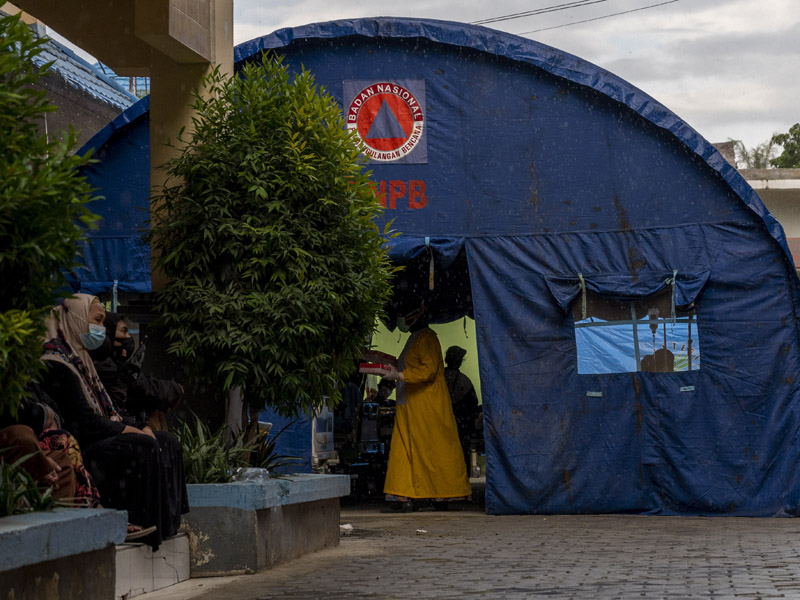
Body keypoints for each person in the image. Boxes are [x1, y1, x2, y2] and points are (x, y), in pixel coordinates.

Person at [39, 294, 186, 549]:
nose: (100, 329)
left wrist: (141, 426)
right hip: (85, 448)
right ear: (75, 320)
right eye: (96, 320)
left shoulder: (82, 361)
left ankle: (165, 524)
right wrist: (130, 430)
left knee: (167, 441)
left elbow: (109, 412)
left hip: (102, 438)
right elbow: (85, 422)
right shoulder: (56, 364)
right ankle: (135, 520)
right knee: (143, 445)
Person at [381, 302, 470, 511]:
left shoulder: (426, 338)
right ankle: (405, 493)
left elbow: (428, 370)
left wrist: (399, 375)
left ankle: (439, 493)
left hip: (426, 406)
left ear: (415, 317)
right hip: (410, 404)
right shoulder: (416, 338)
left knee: (431, 451)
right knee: (406, 451)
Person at [89, 311, 183, 430]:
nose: (128, 337)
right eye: (123, 331)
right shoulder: (105, 365)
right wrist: (176, 389)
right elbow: (143, 387)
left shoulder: (115, 362)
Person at [443, 345, 480, 470]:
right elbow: (473, 404)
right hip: (460, 427)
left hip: (441, 423)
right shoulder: (464, 381)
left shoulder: (439, 377)